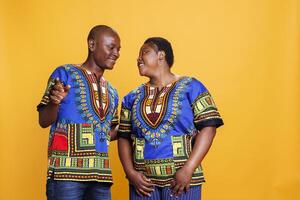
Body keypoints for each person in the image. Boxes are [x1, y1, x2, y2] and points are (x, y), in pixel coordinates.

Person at [118, 37, 224, 200]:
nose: (138, 58)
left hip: (181, 181)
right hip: (143, 185)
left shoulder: (191, 86)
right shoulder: (131, 97)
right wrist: (131, 173)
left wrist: (188, 169)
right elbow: (123, 137)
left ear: (161, 55)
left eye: (144, 52)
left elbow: (209, 127)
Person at [37, 25, 121, 200]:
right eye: (111, 47)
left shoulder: (112, 91)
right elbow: (43, 121)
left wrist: (131, 127)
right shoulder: (64, 74)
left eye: (119, 49)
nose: (116, 53)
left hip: (101, 177)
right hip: (65, 176)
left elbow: (108, 132)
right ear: (92, 44)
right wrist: (54, 103)